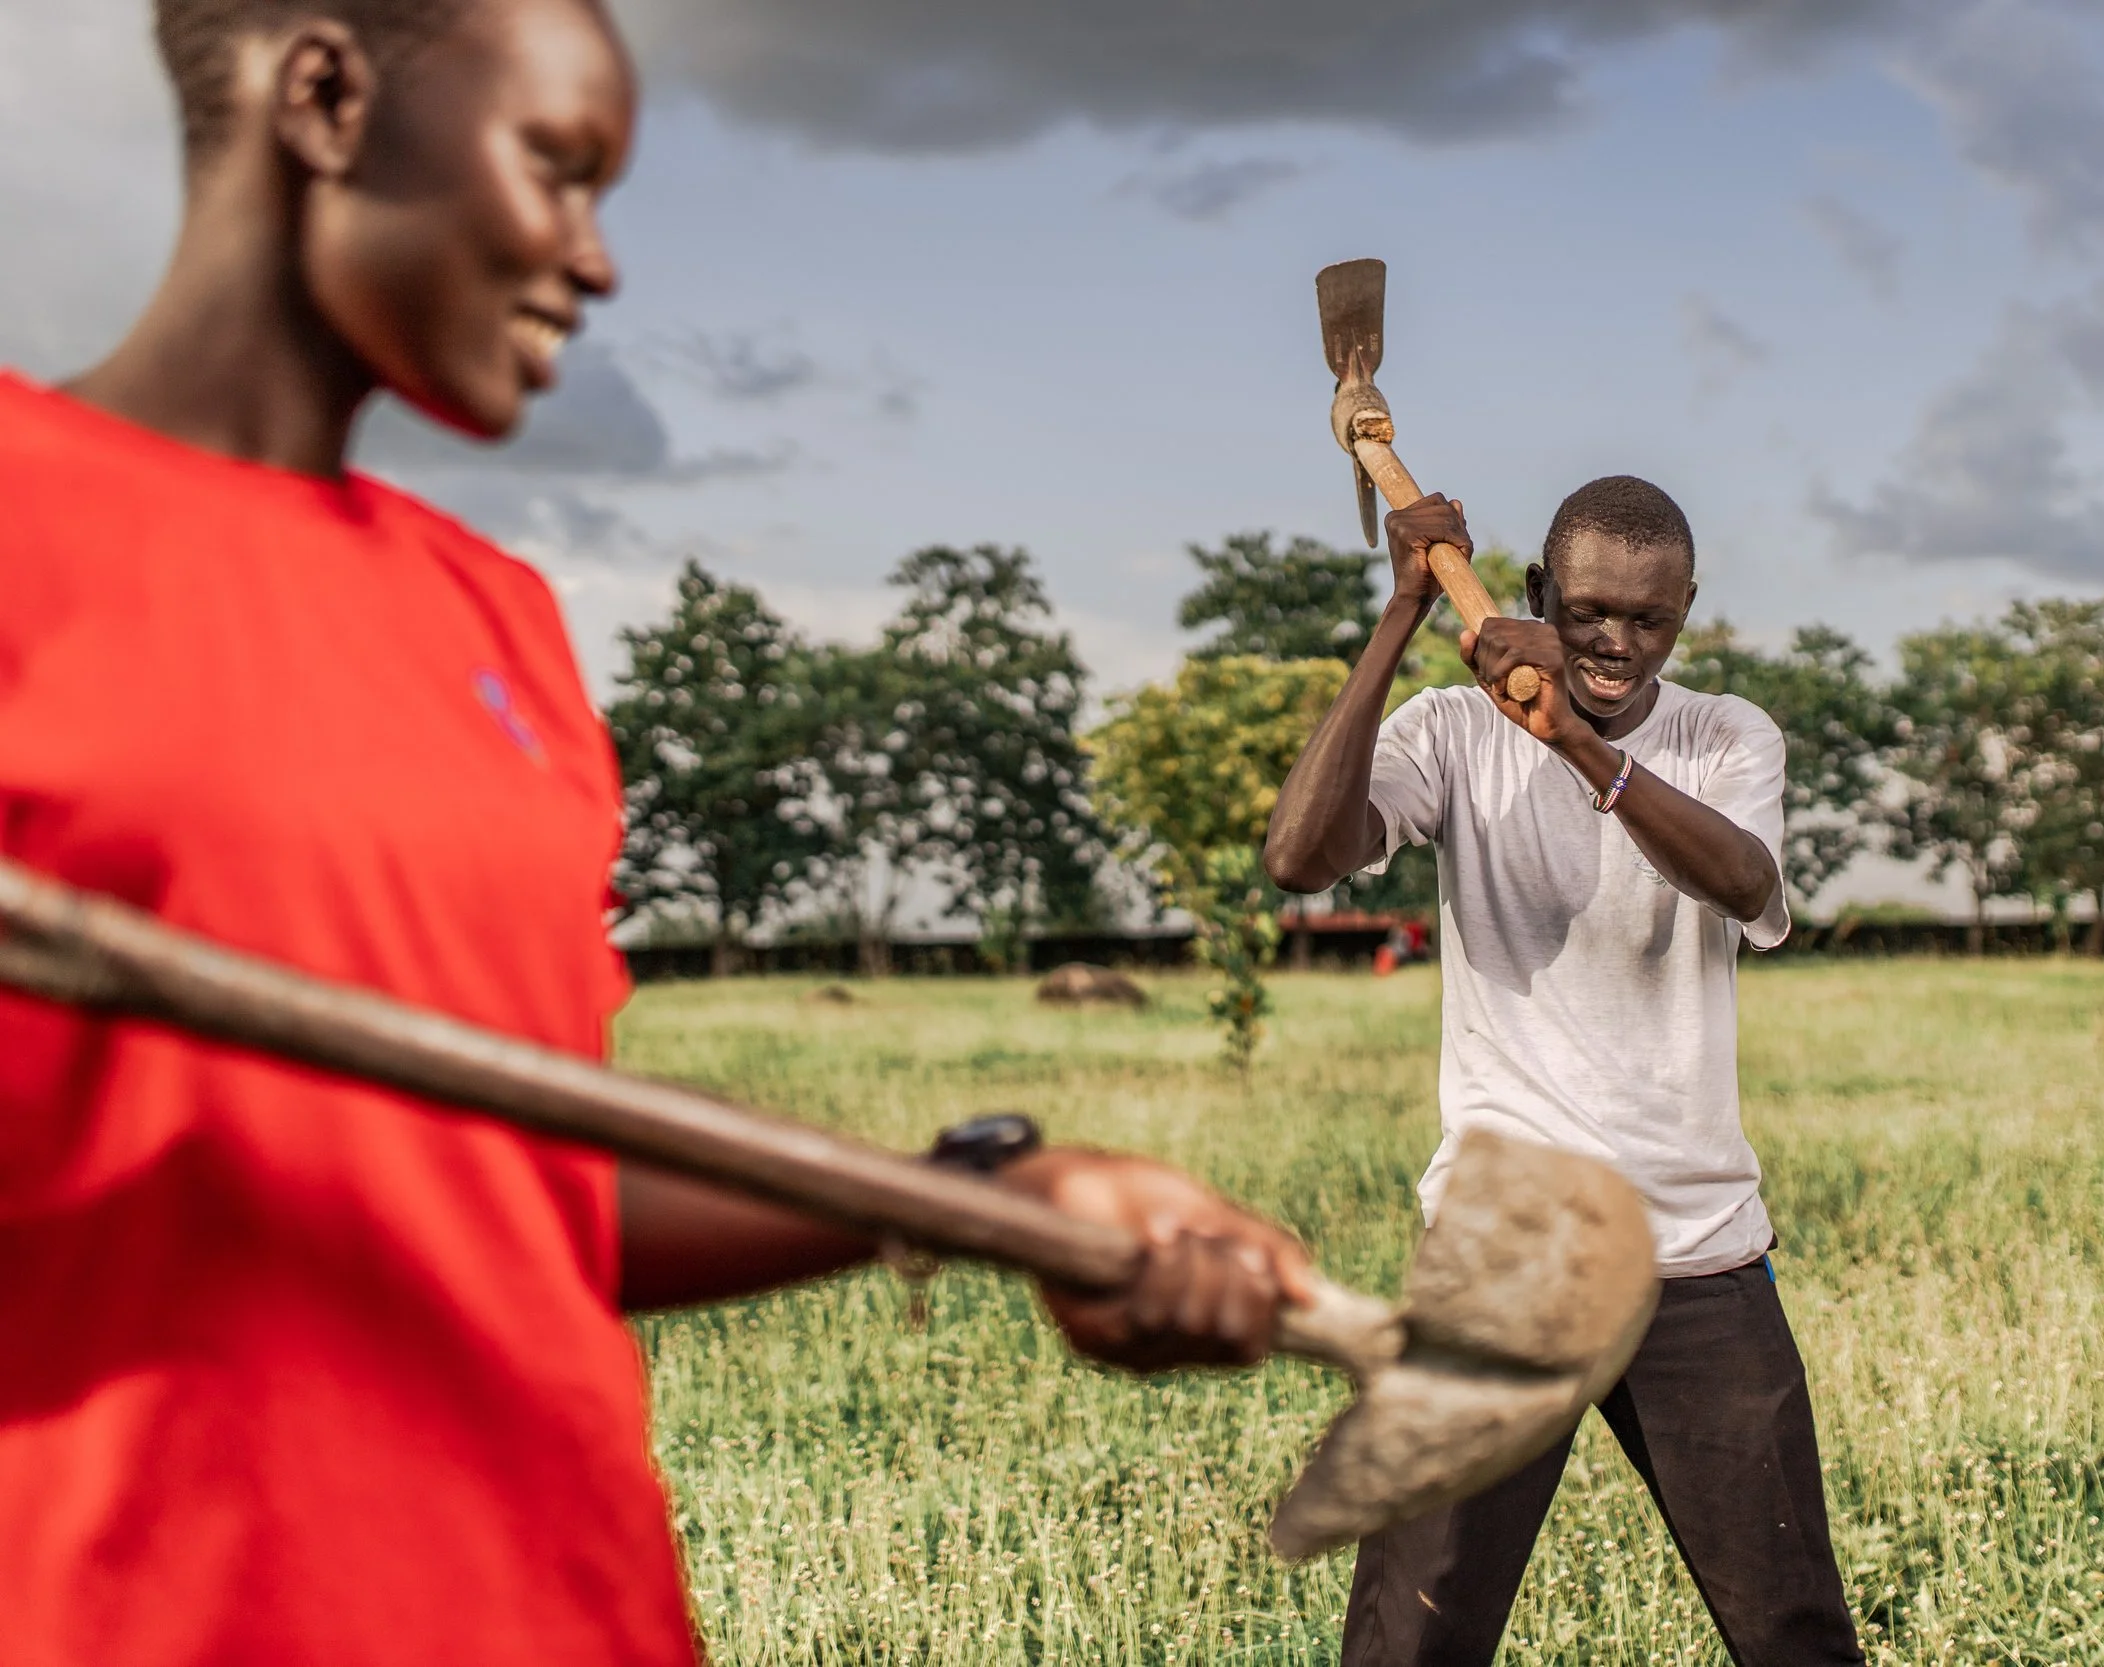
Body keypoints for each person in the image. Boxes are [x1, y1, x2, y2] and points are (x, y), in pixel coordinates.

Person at [0, 3, 1309, 1663]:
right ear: (326, 99)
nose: (597, 261)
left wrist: (987, 1190)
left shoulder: (495, 621)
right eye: (559, 170)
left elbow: (537, 1174)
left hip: (567, 1606)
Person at [1265, 480, 1864, 1666]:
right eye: (1588, 611)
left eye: (1649, 620)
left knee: (1795, 1632)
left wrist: (1577, 743)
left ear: (1684, 616)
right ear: (1537, 596)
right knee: (1409, 1638)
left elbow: (1743, 882)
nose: (1614, 642)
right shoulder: (1449, 730)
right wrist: (1397, 616)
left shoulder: (1725, 735)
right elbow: (1300, 855)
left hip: (1694, 1252)